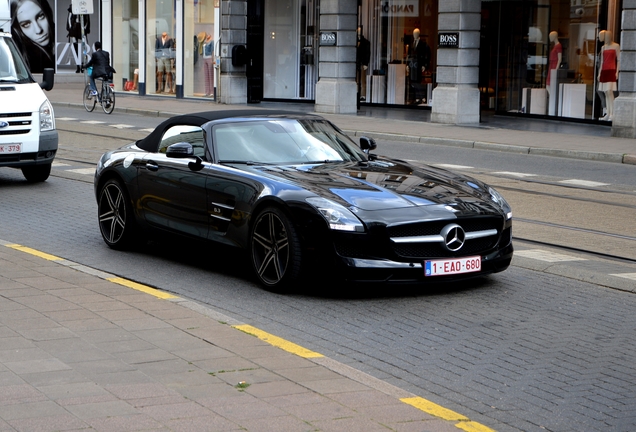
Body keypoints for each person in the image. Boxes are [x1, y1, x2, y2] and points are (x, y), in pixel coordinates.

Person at [9, 0, 55, 73]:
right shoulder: (30, 61)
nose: (38, 30)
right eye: (26, 24)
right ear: (18, 29)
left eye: (41, 16)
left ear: (48, 13)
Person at [598, 30, 620, 121]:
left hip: (611, 70)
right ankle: (608, 112)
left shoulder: (616, 46)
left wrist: (617, 72)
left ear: (610, 37)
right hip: (604, 71)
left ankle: (612, 113)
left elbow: (619, 60)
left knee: (609, 92)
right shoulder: (603, 47)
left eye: (607, 36)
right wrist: (599, 73)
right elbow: (602, 61)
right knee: (606, 92)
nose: (605, 38)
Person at [407, 28, 431, 104]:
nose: (415, 35)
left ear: (418, 34)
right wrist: (407, 64)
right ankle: (417, 97)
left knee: (418, 81)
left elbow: (426, 55)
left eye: (416, 34)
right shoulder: (412, 43)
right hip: (412, 65)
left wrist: (424, 65)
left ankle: (422, 96)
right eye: (414, 34)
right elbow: (409, 55)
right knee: (413, 82)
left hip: (418, 65)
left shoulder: (423, 44)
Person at [66, 3, 90, 73]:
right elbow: (69, 18)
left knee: (84, 46)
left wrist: (85, 28)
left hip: (81, 27)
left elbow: (87, 19)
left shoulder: (83, 5)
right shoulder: (72, 6)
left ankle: (83, 64)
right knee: (75, 46)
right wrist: (70, 28)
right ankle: (78, 65)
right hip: (74, 27)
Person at [357, 27, 371, 101]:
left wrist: (366, 63)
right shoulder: (353, 41)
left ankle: (363, 95)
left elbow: (367, 54)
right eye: (358, 31)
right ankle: (356, 93)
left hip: (362, 63)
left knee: (362, 80)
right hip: (356, 63)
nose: (358, 32)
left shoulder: (366, 42)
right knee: (356, 80)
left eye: (360, 31)